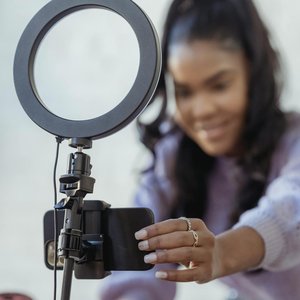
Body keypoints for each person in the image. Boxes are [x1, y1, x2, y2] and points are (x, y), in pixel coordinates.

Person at [100, 0, 300, 299]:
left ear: (254, 74)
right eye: (185, 92)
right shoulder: (173, 154)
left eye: (219, 85)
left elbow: (289, 213)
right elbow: (138, 264)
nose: (202, 110)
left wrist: (221, 252)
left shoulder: (293, 141)